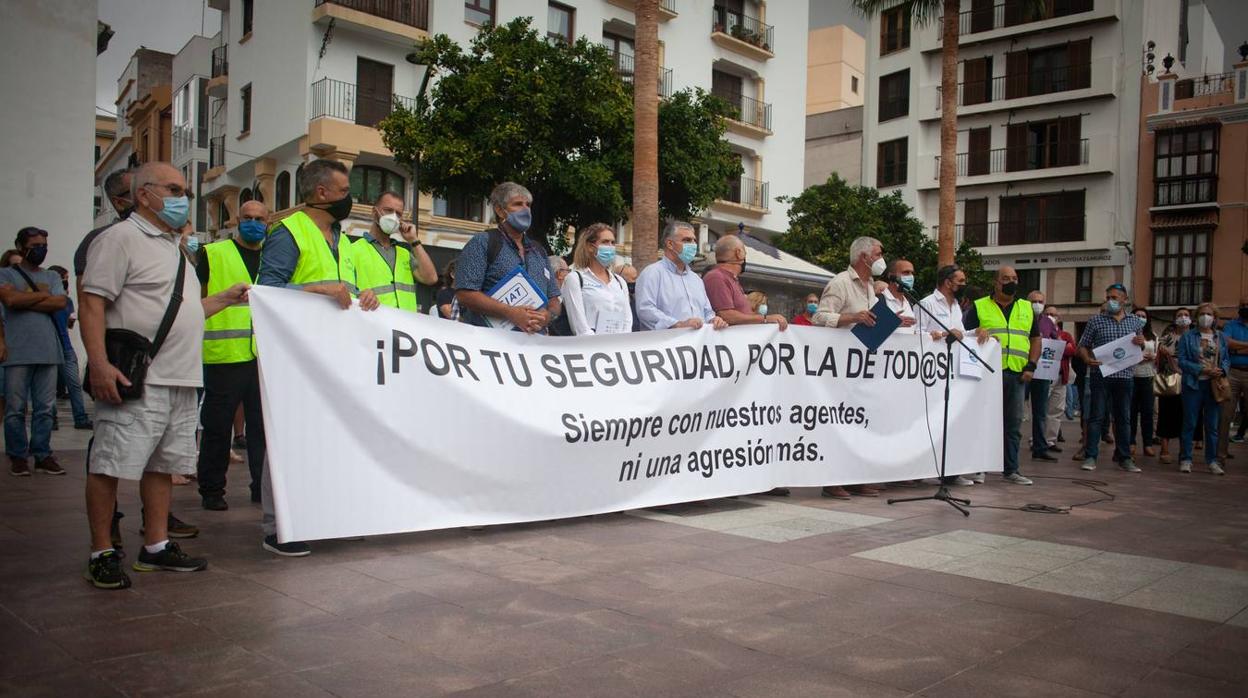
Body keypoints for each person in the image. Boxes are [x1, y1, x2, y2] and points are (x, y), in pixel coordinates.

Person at [80, 161, 249, 589]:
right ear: (144, 195)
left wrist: (225, 299)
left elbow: (188, 311)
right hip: (139, 376)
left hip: (182, 379)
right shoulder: (119, 239)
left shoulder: (177, 250)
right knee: (109, 465)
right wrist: (99, 363)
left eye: (184, 191)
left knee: (162, 466)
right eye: (173, 189)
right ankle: (101, 550)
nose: (182, 198)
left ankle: (155, 546)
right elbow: (92, 303)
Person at [255, 158, 382, 556]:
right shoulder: (288, 233)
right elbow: (266, 292)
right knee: (288, 439)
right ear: (321, 193)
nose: (351, 200)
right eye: (345, 192)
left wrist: (366, 296)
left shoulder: (343, 239)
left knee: (332, 436)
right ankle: (278, 527)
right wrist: (316, 289)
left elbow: (346, 289)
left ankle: (326, 514)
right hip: (292, 355)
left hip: (332, 353)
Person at [194, 199, 270, 511]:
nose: (253, 223)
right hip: (224, 355)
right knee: (217, 427)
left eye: (259, 219)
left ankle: (260, 487)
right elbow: (197, 300)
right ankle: (212, 490)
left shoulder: (273, 257)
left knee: (262, 429)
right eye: (247, 218)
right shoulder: (213, 253)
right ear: (236, 221)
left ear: (268, 223)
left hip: (264, 355)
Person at [811, 236, 887, 498]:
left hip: (861, 367)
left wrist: (892, 321)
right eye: (877, 254)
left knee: (860, 425)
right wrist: (853, 317)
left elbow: (870, 319)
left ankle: (856, 477)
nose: (881, 259)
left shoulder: (869, 286)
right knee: (838, 425)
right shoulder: (841, 282)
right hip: (837, 367)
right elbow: (819, 317)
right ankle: (832, 480)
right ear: (863, 257)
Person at [964, 266, 1041, 485]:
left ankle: (1012, 469)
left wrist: (1031, 365)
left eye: (1015, 278)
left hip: (1017, 373)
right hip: (987, 374)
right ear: (996, 283)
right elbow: (966, 336)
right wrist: (976, 332)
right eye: (1006, 278)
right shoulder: (979, 306)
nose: (1011, 282)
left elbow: (1036, 338)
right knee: (983, 421)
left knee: (1013, 424)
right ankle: (979, 467)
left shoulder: (1026, 308)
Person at [1, 227, 68, 476]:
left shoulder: (51, 276)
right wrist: (42, 296)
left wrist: (25, 298)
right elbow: (10, 301)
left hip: (48, 350)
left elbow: (60, 302)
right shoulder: (5, 274)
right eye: (35, 245)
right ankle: (18, 456)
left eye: (43, 245)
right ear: (20, 246)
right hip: (18, 350)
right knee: (15, 408)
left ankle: (42, 454)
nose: (40, 250)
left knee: (45, 408)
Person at [454, 182, 561, 333]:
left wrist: (547, 317)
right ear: (500, 210)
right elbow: (464, 293)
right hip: (492, 343)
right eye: (517, 204)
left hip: (533, 345)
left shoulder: (539, 251)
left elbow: (554, 299)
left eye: (528, 205)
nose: (525, 210)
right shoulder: (483, 242)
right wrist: (510, 312)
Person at [916, 264, 981, 487]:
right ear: (947, 282)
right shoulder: (927, 303)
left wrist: (976, 333)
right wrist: (938, 334)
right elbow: (915, 335)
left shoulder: (956, 306)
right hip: (930, 374)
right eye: (960, 281)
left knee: (952, 424)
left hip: (952, 373)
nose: (964, 285)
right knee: (930, 423)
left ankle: (951, 471)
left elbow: (959, 333)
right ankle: (922, 468)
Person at [1077, 283, 1147, 473]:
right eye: (1108, 298)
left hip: (1125, 376)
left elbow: (1139, 348)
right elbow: (1082, 345)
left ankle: (1125, 457)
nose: (1111, 301)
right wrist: (1087, 359)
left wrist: (1141, 343)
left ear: (1125, 300)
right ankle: (1091, 456)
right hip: (1101, 375)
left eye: (1115, 298)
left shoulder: (1134, 322)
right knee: (1096, 416)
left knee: (1123, 418)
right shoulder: (1096, 321)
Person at [350, 191, 437, 312]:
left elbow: (431, 278)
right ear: (374, 212)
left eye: (398, 214)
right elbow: (346, 290)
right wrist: (360, 294)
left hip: (405, 325)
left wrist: (414, 240)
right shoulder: (353, 250)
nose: (393, 217)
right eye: (388, 210)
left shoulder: (404, 253)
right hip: (374, 324)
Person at [634, 221, 727, 332]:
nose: (693, 245)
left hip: (697, 345)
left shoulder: (696, 279)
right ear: (670, 244)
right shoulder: (652, 273)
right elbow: (645, 310)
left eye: (694, 240)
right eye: (687, 240)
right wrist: (677, 324)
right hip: (666, 345)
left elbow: (707, 311)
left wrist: (713, 320)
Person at [1177, 302, 1230, 475]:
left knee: (1212, 425)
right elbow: (1182, 361)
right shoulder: (1188, 336)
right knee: (1190, 423)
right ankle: (1186, 458)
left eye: (1209, 314)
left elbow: (1226, 359)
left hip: (1214, 385)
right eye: (1202, 313)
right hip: (1193, 384)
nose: (1205, 317)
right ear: (1197, 316)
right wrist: (1201, 369)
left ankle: (1212, 461)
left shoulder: (1220, 337)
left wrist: (1222, 370)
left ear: (1214, 318)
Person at [560, 223, 633, 336]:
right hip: (591, 346)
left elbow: (627, 319)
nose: (610, 246)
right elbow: (579, 326)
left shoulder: (620, 281)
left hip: (619, 346)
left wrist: (621, 342)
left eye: (613, 242)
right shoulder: (575, 279)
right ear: (590, 246)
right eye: (605, 242)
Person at [704, 235, 788, 330]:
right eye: (745, 252)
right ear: (739, 253)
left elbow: (740, 313)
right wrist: (765, 319)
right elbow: (727, 315)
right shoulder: (716, 277)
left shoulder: (731, 279)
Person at [46, 265, 91, 430]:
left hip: (66, 346)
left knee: (74, 385)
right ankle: (51, 419)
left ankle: (80, 418)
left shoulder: (68, 301)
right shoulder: (47, 301)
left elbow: (69, 324)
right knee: (48, 387)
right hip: (50, 347)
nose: (66, 281)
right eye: (63, 278)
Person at [1026, 290, 1060, 462]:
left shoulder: (1048, 322)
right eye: (1034, 301)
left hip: (1042, 372)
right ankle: (1007, 447)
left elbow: (1056, 341)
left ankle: (1040, 447)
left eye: (1040, 301)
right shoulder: (1021, 316)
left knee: (1040, 412)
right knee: (1015, 411)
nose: (1037, 305)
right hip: (1023, 369)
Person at [1156, 309, 1190, 464]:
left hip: (1191, 381)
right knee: (1166, 414)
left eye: (1186, 315)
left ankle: (1185, 451)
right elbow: (1160, 360)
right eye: (1179, 315)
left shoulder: (1195, 337)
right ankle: (1164, 448)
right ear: (1174, 319)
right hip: (1170, 380)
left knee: (1187, 416)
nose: (1183, 318)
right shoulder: (1166, 338)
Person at [1041, 306, 1077, 453]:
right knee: (1041, 408)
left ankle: (1050, 440)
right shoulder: (1041, 332)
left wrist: (1059, 344)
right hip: (1044, 374)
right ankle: (1037, 439)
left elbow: (1072, 350)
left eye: (1053, 315)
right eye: (1048, 314)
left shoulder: (1065, 334)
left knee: (1056, 409)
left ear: (1059, 318)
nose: (1050, 316)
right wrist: (1061, 346)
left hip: (1061, 375)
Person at [1217, 299, 1248, 457]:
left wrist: (1239, 349)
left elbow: (1234, 347)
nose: (1246, 308)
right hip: (1233, 373)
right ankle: (1220, 455)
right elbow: (1227, 343)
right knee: (1225, 415)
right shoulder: (1231, 326)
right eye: (1243, 305)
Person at [1130, 307, 1158, 458]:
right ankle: (1131, 442)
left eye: (1143, 316)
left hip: (1148, 376)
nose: (1140, 318)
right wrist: (1138, 358)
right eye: (1138, 315)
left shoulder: (1153, 336)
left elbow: (1158, 356)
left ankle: (1148, 444)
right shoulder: (1128, 334)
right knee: (1131, 411)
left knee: (1147, 412)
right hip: (1132, 376)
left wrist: (1153, 357)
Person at [880, 259, 917, 333]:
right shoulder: (879, 299)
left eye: (912, 273)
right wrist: (891, 323)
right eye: (906, 272)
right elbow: (871, 332)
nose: (910, 276)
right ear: (891, 276)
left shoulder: (909, 302)